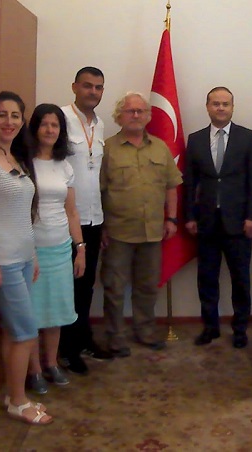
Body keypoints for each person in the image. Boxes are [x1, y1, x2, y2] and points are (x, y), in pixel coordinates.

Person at [0, 91, 52, 425]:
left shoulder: (16, 157)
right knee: (26, 332)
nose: (9, 121)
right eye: (2, 115)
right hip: (1, 259)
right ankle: (18, 401)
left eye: (15, 115)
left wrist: (34, 255)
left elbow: (22, 213)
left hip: (24, 257)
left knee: (13, 332)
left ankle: (12, 393)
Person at [101, 92, 183, 357]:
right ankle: (115, 337)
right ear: (119, 116)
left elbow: (171, 186)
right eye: (130, 111)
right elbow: (97, 191)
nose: (135, 115)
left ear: (148, 116)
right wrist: (102, 227)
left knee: (147, 287)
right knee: (114, 288)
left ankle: (145, 332)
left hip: (153, 231)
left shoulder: (160, 147)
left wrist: (172, 218)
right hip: (118, 232)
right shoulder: (107, 149)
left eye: (140, 111)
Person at [184, 87, 252, 349]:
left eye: (225, 104)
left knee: (240, 279)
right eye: (215, 103)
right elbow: (189, 182)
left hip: (239, 222)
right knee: (207, 278)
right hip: (206, 222)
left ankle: (240, 329)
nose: (220, 108)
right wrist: (189, 216)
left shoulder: (248, 137)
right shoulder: (195, 139)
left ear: (232, 107)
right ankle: (210, 327)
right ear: (207, 107)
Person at [24, 104, 86, 394]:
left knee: (56, 311)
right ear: (35, 128)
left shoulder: (64, 165)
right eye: (44, 124)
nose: (49, 130)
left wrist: (80, 248)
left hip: (60, 248)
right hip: (32, 250)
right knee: (33, 313)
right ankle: (34, 369)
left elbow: (71, 211)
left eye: (55, 125)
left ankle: (51, 363)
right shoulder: (23, 163)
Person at [59, 66, 113, 376]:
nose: (93, 92)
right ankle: (67, 348)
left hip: (93, 218)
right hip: (66, 219)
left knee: (86, 285)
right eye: (88, 86)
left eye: (98, 87)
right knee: (68, 285)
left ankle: (83, 338)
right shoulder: (61, 119)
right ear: (74, 87)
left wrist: (102, 222)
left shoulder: (100, 124)